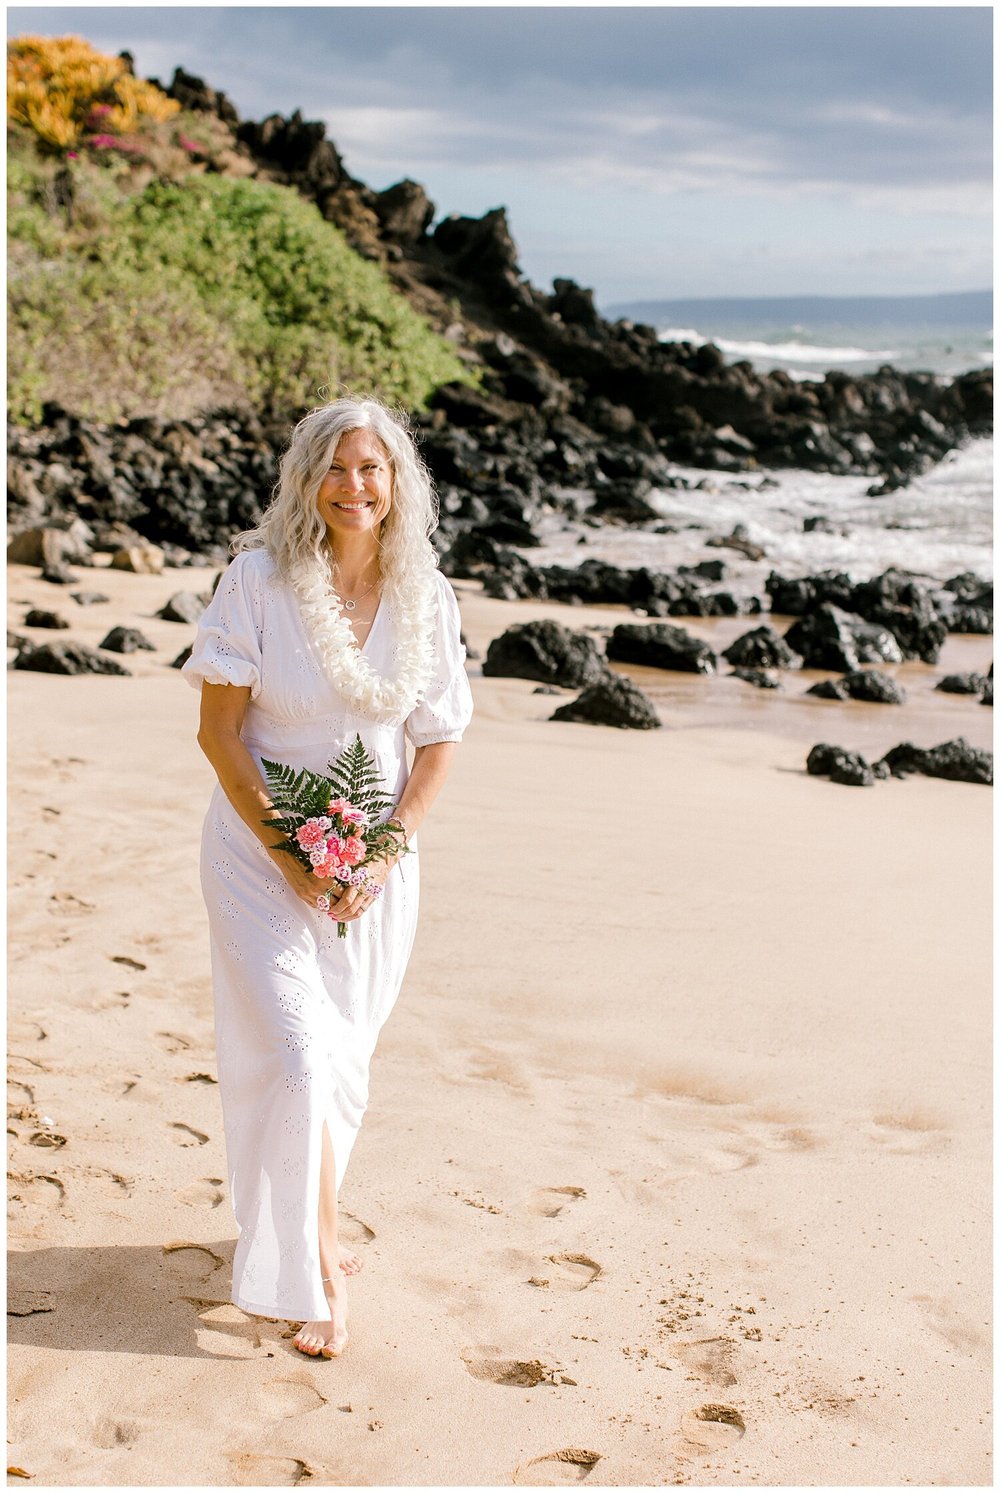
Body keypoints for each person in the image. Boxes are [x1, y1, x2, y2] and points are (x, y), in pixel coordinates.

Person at [182, 395, 473, 1359]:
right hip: (260, 856)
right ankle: (319, 1263)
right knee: (301, 1056)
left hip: (375, 872)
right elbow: (219, 735)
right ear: (308, 478)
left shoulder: (427, 596)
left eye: (373, 469)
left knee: (338, 1069)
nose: (355, 487)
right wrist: (292, 855)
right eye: (337, 468)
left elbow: (435, 745)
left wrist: (379, 852)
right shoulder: (259, 583)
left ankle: (303, 1223)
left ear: (398, 485)